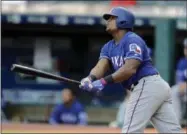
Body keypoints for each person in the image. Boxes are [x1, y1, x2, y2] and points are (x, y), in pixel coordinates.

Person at [79, 7, 183, 133]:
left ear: (123, 20)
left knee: (130, 131)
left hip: (147, 85)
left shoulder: (132, 39)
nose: (107, 21)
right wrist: (90, 78)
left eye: (111, 18)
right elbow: (100, 66)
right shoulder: (108, 46)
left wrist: (103, 82)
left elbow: (129, 69)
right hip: (152, 88)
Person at [171, 38, 187, 121]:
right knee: (173, 90)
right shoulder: (182, 62)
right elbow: (180, 82)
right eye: (185, 48)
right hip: (184, 90)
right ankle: (176, 122)